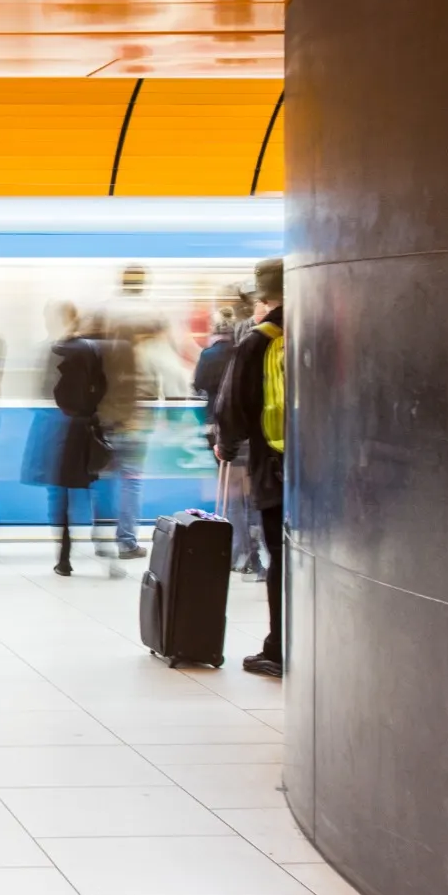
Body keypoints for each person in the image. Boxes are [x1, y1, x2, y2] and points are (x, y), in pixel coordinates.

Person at [216, 257, 287, 678]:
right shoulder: (329, 326)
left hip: (275, 466)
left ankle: (278, 649)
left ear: (263, 294)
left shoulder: (261, 338)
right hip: (334, 470)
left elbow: (234, 407)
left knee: (279, 554)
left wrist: (226, 445)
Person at [91, 265, 170, 560]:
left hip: (105, 415)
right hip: (137, 415)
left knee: (102, 478)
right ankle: (126, 541)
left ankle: (100, 537)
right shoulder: (153, 317)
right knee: (132, 479)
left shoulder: (105, 315)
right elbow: (164, 367)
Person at [36, 304, 112, 576]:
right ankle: (105, 547)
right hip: (87, 428)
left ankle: (64, 557)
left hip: (61, 430)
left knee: (59, 495)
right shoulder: (92, 349)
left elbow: (48, 390)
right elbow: (102, 386)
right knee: (92, 488)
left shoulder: (56, 350)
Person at [194, 291, 265, 579]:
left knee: (233, 496)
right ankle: (258, 556)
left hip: (224, 432)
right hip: (255, 432)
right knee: (256, 495)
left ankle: (239, 554)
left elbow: (199, 387)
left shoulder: (211, 355)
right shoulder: (252, 349)